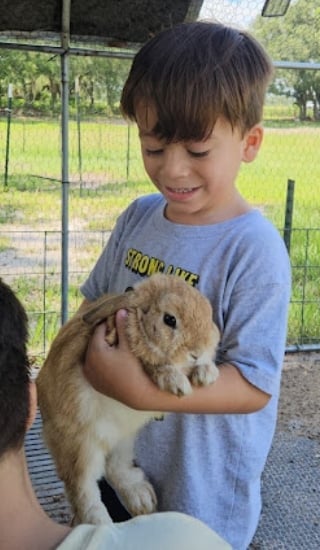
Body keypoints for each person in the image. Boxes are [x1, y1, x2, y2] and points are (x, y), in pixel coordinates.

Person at [81, 21, 291, 550]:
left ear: (250, 142)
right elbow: (93, 304)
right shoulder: (139, 217)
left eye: (197, 151)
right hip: (120, 468)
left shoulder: (253, 249)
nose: (172, 170)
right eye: (153, 147)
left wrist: (137, 387)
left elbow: (252, 385)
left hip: (199, 493)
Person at [0, 278, 231, 549]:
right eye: (169, 322)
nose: (196, 350)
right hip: (86, 412)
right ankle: (88, 506)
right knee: (85, 447)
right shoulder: (189, 538)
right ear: (31, 401)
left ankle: (121, 471)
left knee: (121, 435)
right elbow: (92, 318)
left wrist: (200, 366)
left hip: (126, 427)